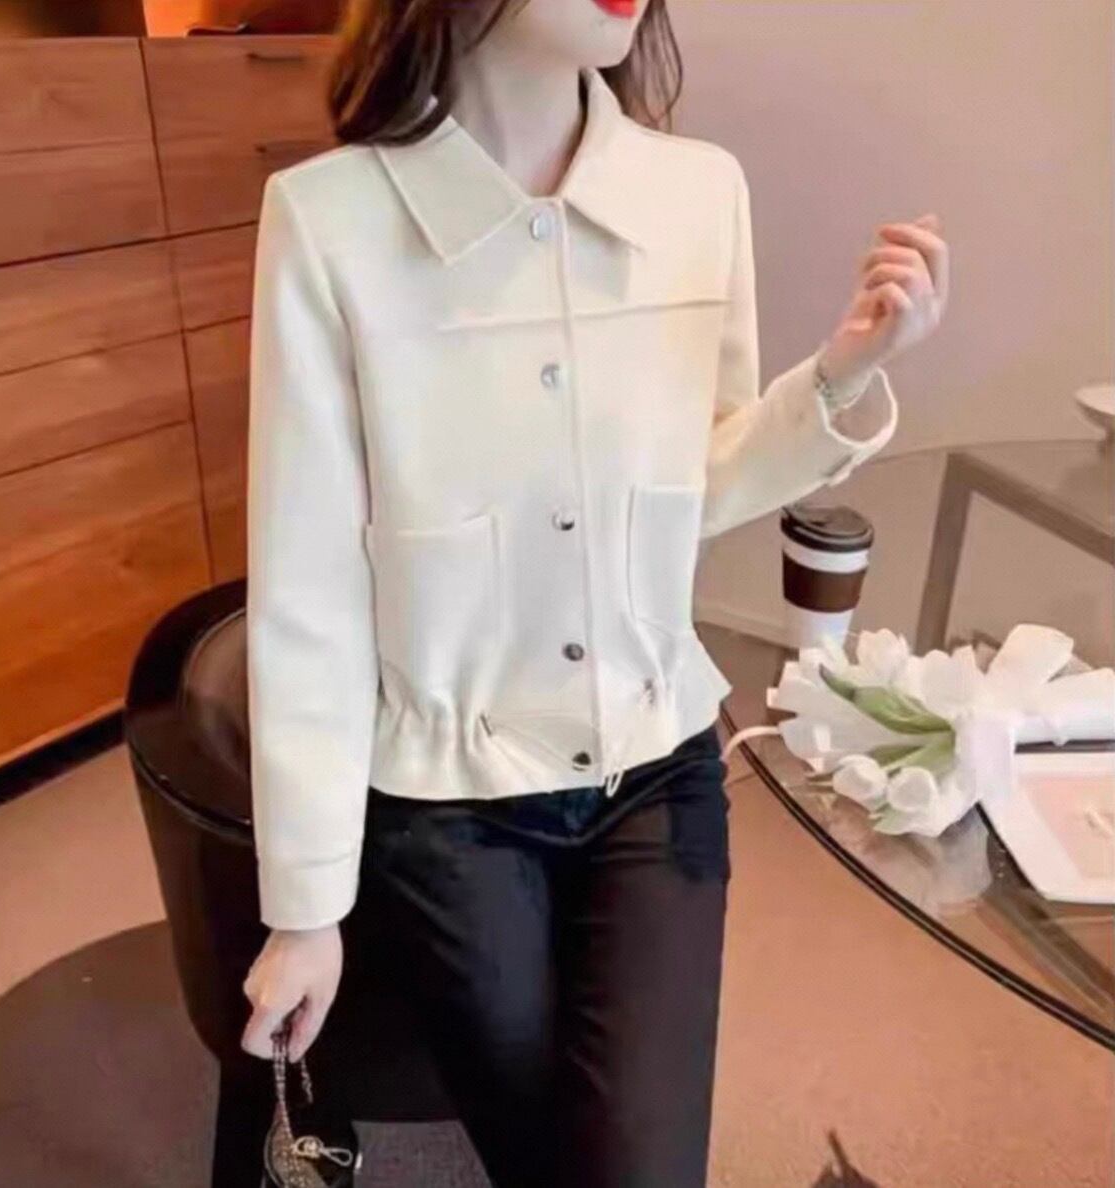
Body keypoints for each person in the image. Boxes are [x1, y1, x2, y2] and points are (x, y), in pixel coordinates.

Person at [238, 1, 949, 1184]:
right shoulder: (329, 221)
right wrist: (305, 909)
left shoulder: (699, 193)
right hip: (450, 804)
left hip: (659, 771)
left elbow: (692, 485)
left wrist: (840, 376)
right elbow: (308, 582)